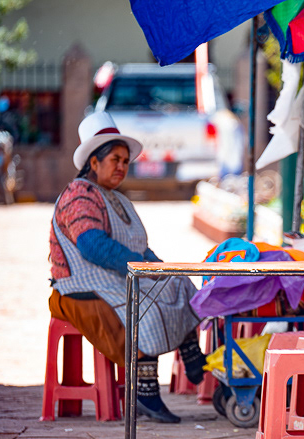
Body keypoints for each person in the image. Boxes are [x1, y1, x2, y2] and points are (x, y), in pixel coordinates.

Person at [48, 112, 205, 423]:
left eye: (125, 160)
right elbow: (93, 246)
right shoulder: (79, 194)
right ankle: (146, 393)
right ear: (94, 163)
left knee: (178, 284)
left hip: (112, 279)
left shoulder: (117, 200)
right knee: (144, 305)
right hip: (79, 290)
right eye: (114, 159)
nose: (121, 166)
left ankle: (190, 353)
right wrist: (140, 266)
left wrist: (159, 268)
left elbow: (139, 247)